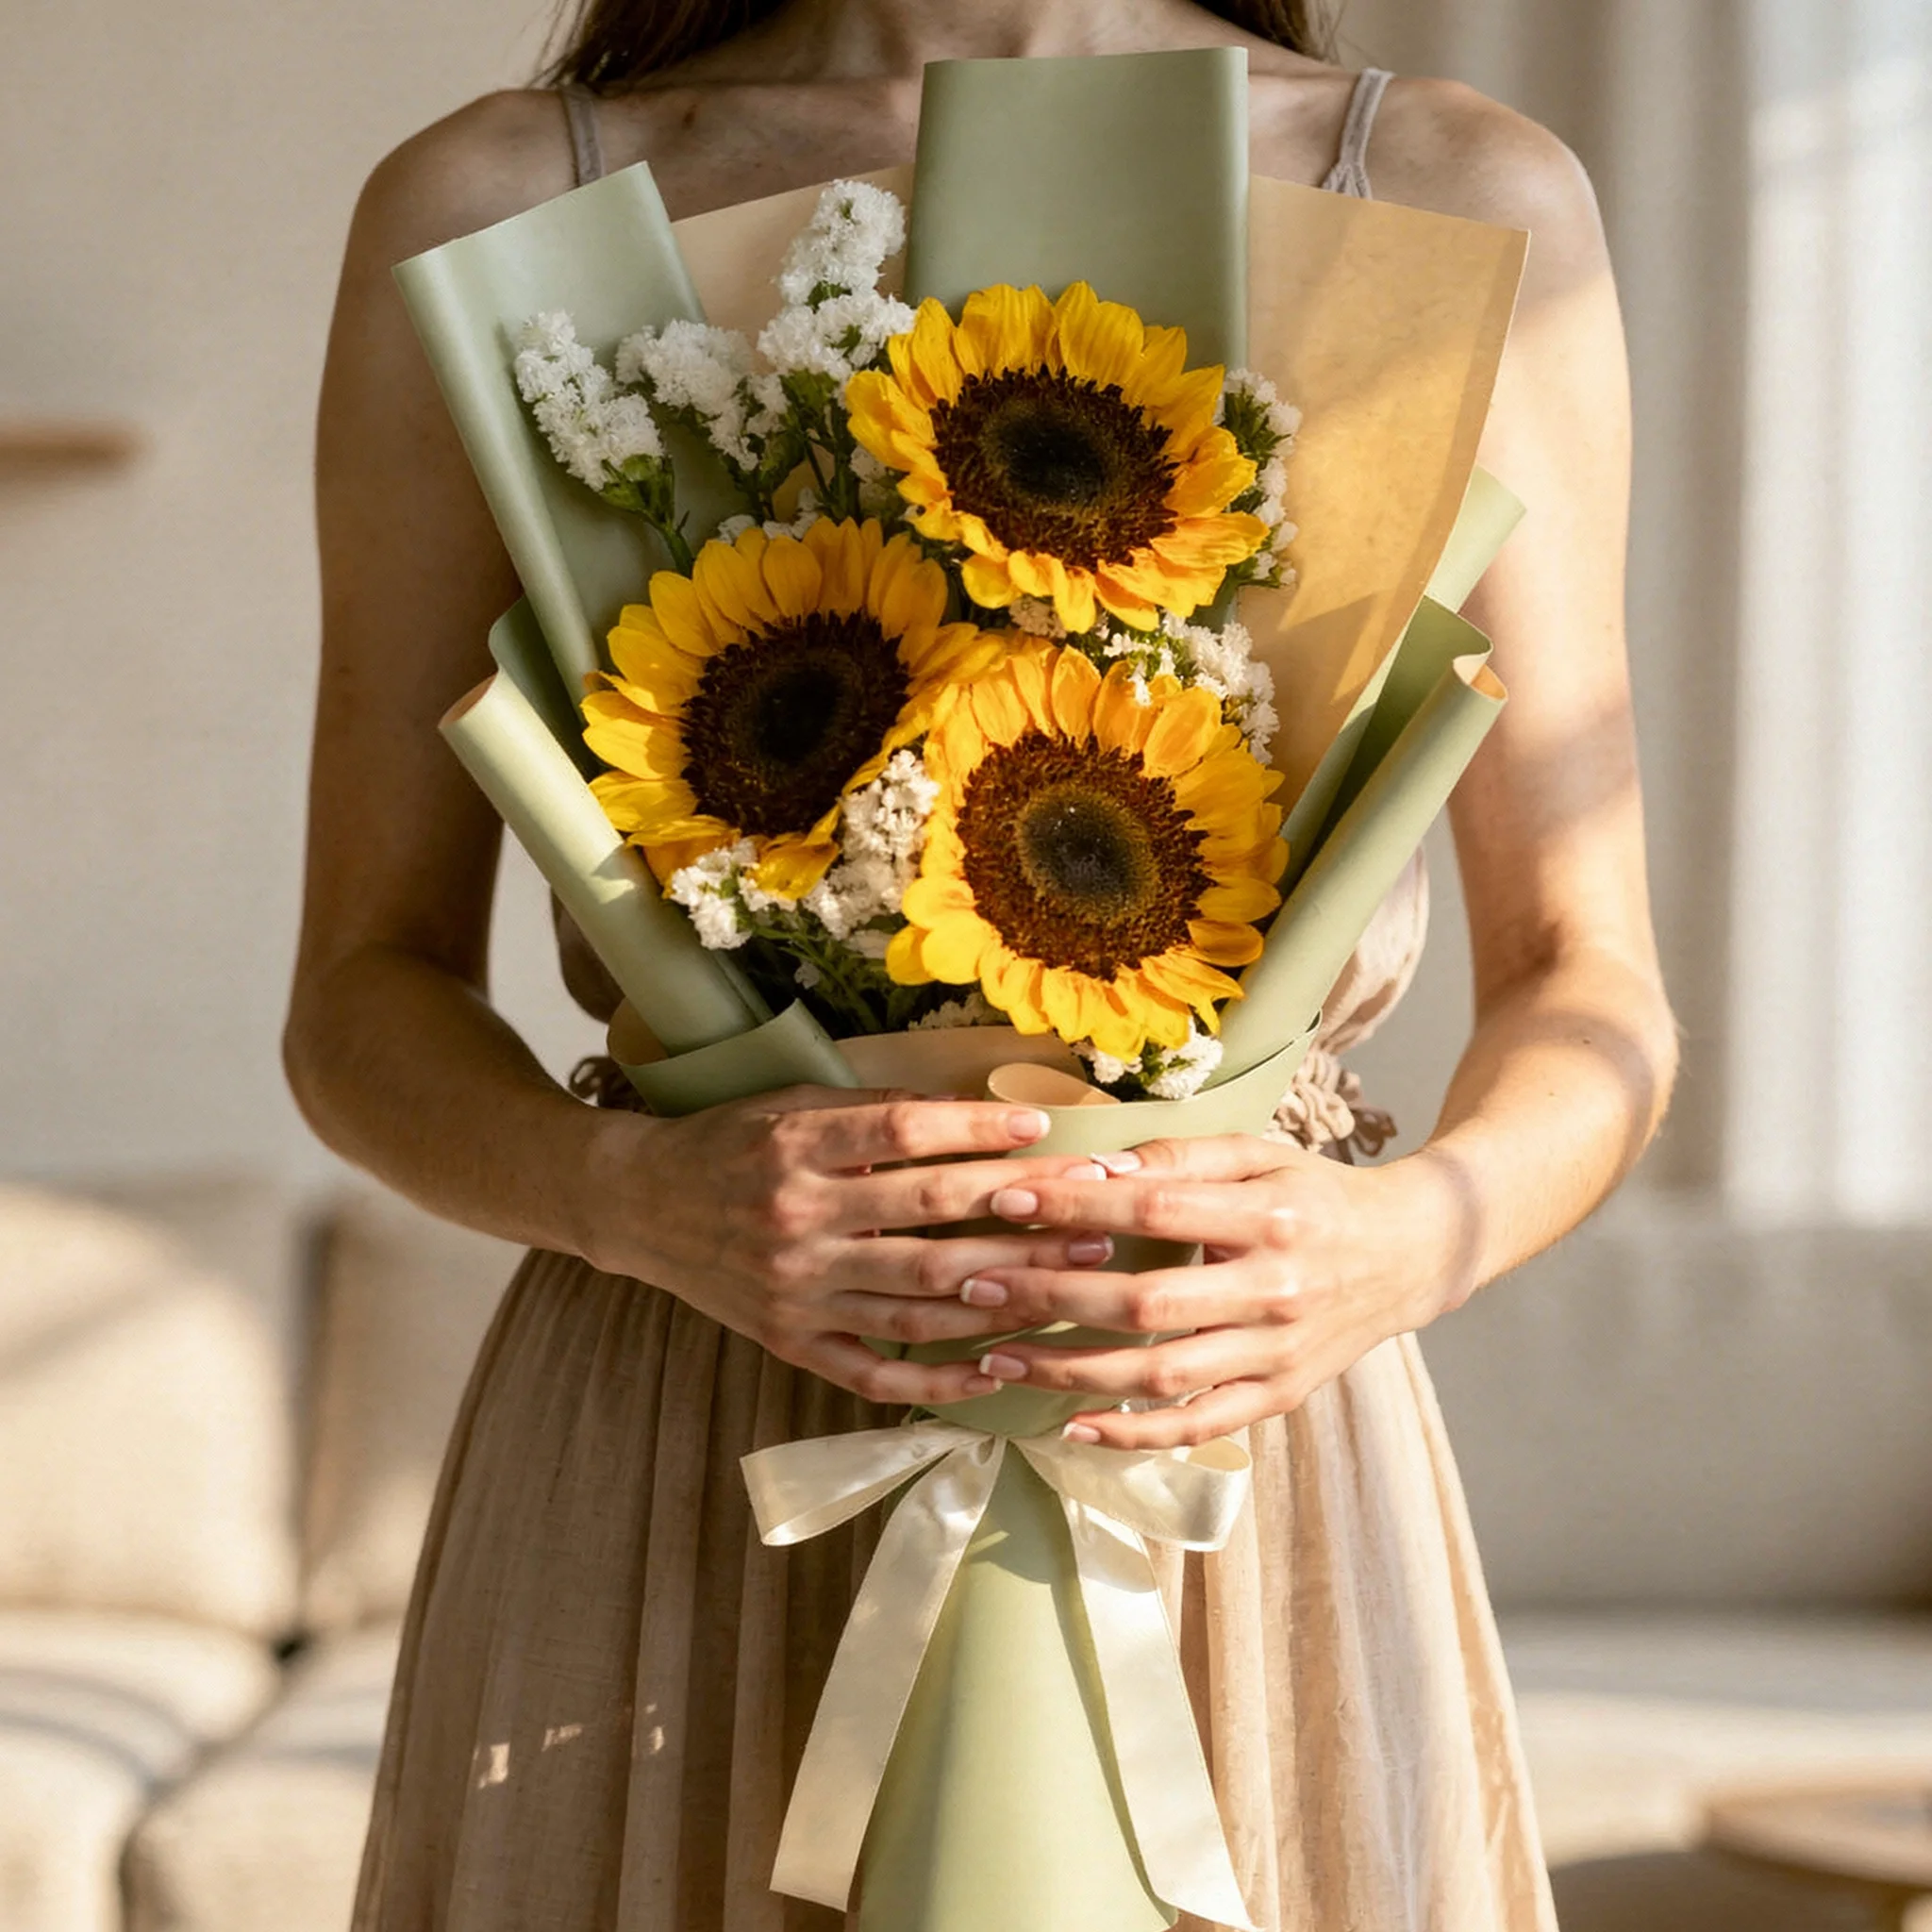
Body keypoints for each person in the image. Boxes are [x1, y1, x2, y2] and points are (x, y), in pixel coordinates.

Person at [287, 0, 1677, 1925]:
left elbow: (1588, 977)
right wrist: (631, 1196)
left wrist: (1398, 1244)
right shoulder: (497, 204)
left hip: (1225, 1423)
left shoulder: (1450, 190)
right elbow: (361, 994)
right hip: (692, 1402)